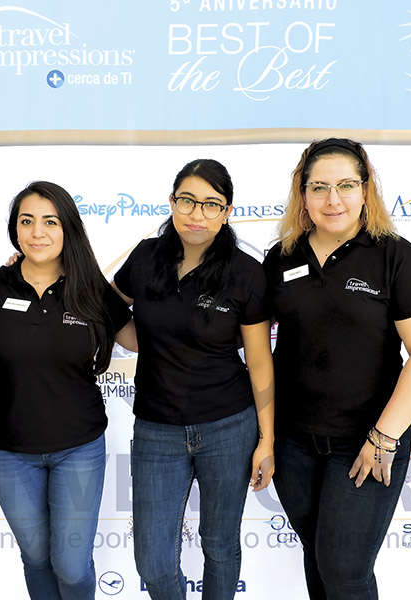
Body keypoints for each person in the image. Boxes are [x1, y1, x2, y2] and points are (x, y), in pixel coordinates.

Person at [262, 138, 411, 600]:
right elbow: (245, 336)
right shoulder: (282, 257)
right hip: (294, 445)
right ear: (302, 193)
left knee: (345, 570)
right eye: (319, 187)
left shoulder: (393, 255)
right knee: (319, 561)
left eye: (346, 185)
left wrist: (384, 437)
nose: (333, 199)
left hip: (366, 442)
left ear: (366, 190)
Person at [112, 158, 275, 600]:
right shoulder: (146, 257)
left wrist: (267, 439)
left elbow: (260, 362)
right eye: (187, 201)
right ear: (171, 203)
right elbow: (105, 308)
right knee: (153, 559)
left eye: (210, 204)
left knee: (220, 544)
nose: (196, 214)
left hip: (228, 425)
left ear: (227, 212)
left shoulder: (245, 272)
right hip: (156, 429)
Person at [0, 181, 136, 600]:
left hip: (77, 447)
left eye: (50, 221)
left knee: (72, 563)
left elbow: (139, 338)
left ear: (67, 229)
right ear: (15, 229)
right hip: (10, 450)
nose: (37, 232)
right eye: (27, 221)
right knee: (36, 556)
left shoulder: (90, 287)